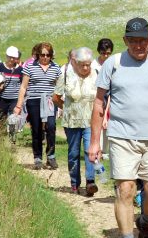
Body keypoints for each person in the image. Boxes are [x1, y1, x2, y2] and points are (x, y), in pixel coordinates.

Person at [87, 17, 148, 238]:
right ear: (125, 40)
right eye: (133, 41)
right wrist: (94, 142)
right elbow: (99, 102)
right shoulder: (114, 63)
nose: (138, 45)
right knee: (126, 189)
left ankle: (146, 220)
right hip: (122, 137)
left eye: (142, 40)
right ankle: (127, 234)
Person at [53, 47, 99, 196]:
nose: (85, 68)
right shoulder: (66, 75)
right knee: (73, 153)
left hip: (90, 121)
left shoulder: (96, 75)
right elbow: (56, 97)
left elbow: (101, 97)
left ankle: (90, 181)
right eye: (82, 64)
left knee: (89, 150)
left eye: (88, 64)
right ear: (75, 63)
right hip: (72, 121)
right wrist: (66, 108)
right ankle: (75, 183)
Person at [14, 42, 62, 170]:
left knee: (51, 127)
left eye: (48, 55)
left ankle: (51, 156)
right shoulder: (30, 67)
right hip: (34, 100)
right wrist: (18, 105)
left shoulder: (56, 68)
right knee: (36, 129)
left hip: (50, 101)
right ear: (37, 55)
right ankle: (38, 158)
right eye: (42, 55)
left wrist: (61, 104)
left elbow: (59, 87)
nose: (45, 57)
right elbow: (23, 87)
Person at [0, 46, 23, 130]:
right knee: (1, 119)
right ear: (7, 56)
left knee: (13, 120)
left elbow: (22, 85)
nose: (12, 60)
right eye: (10, 57)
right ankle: (1, 139)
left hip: (14, 98)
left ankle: (12, 139)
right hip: (1, 98)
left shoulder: (20, 69)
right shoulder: (0, 67)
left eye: (14, 58)